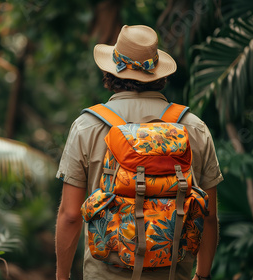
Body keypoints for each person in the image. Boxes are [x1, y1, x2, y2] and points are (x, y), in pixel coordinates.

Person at [55, 25, 223, 280]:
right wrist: (203, 275)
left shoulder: (87, 127)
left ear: (110, 72)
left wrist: (61, 275)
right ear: (159, 74)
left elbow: (70, 215)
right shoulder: (193, 127)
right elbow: (208, 215)